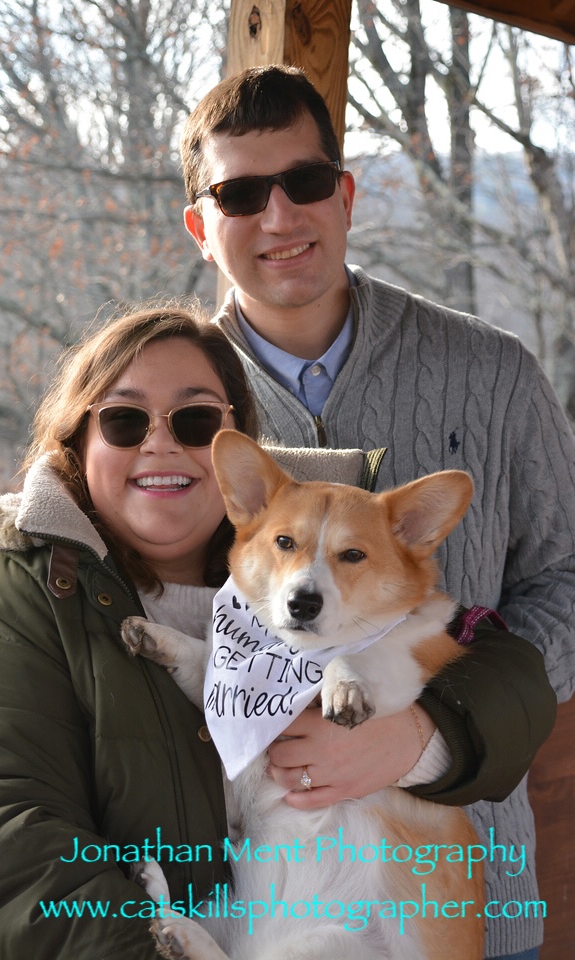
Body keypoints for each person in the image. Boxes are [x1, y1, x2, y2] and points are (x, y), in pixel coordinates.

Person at [179, 65, 575, 960]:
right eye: (242, 195)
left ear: (345, 195)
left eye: (306, 182)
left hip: (455, 893)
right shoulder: (168, 404)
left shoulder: (494, 372)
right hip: (259, 906)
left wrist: (430, 734)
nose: (281, 217)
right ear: (205, 228)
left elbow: (568, 580)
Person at [0, 304, 260, 959]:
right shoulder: (8, 588)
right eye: (124, 419)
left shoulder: (318, 571)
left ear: (241, 445)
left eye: (195, 420)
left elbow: (487, 657)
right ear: (79, 440)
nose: (160, 443)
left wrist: (428, 737)